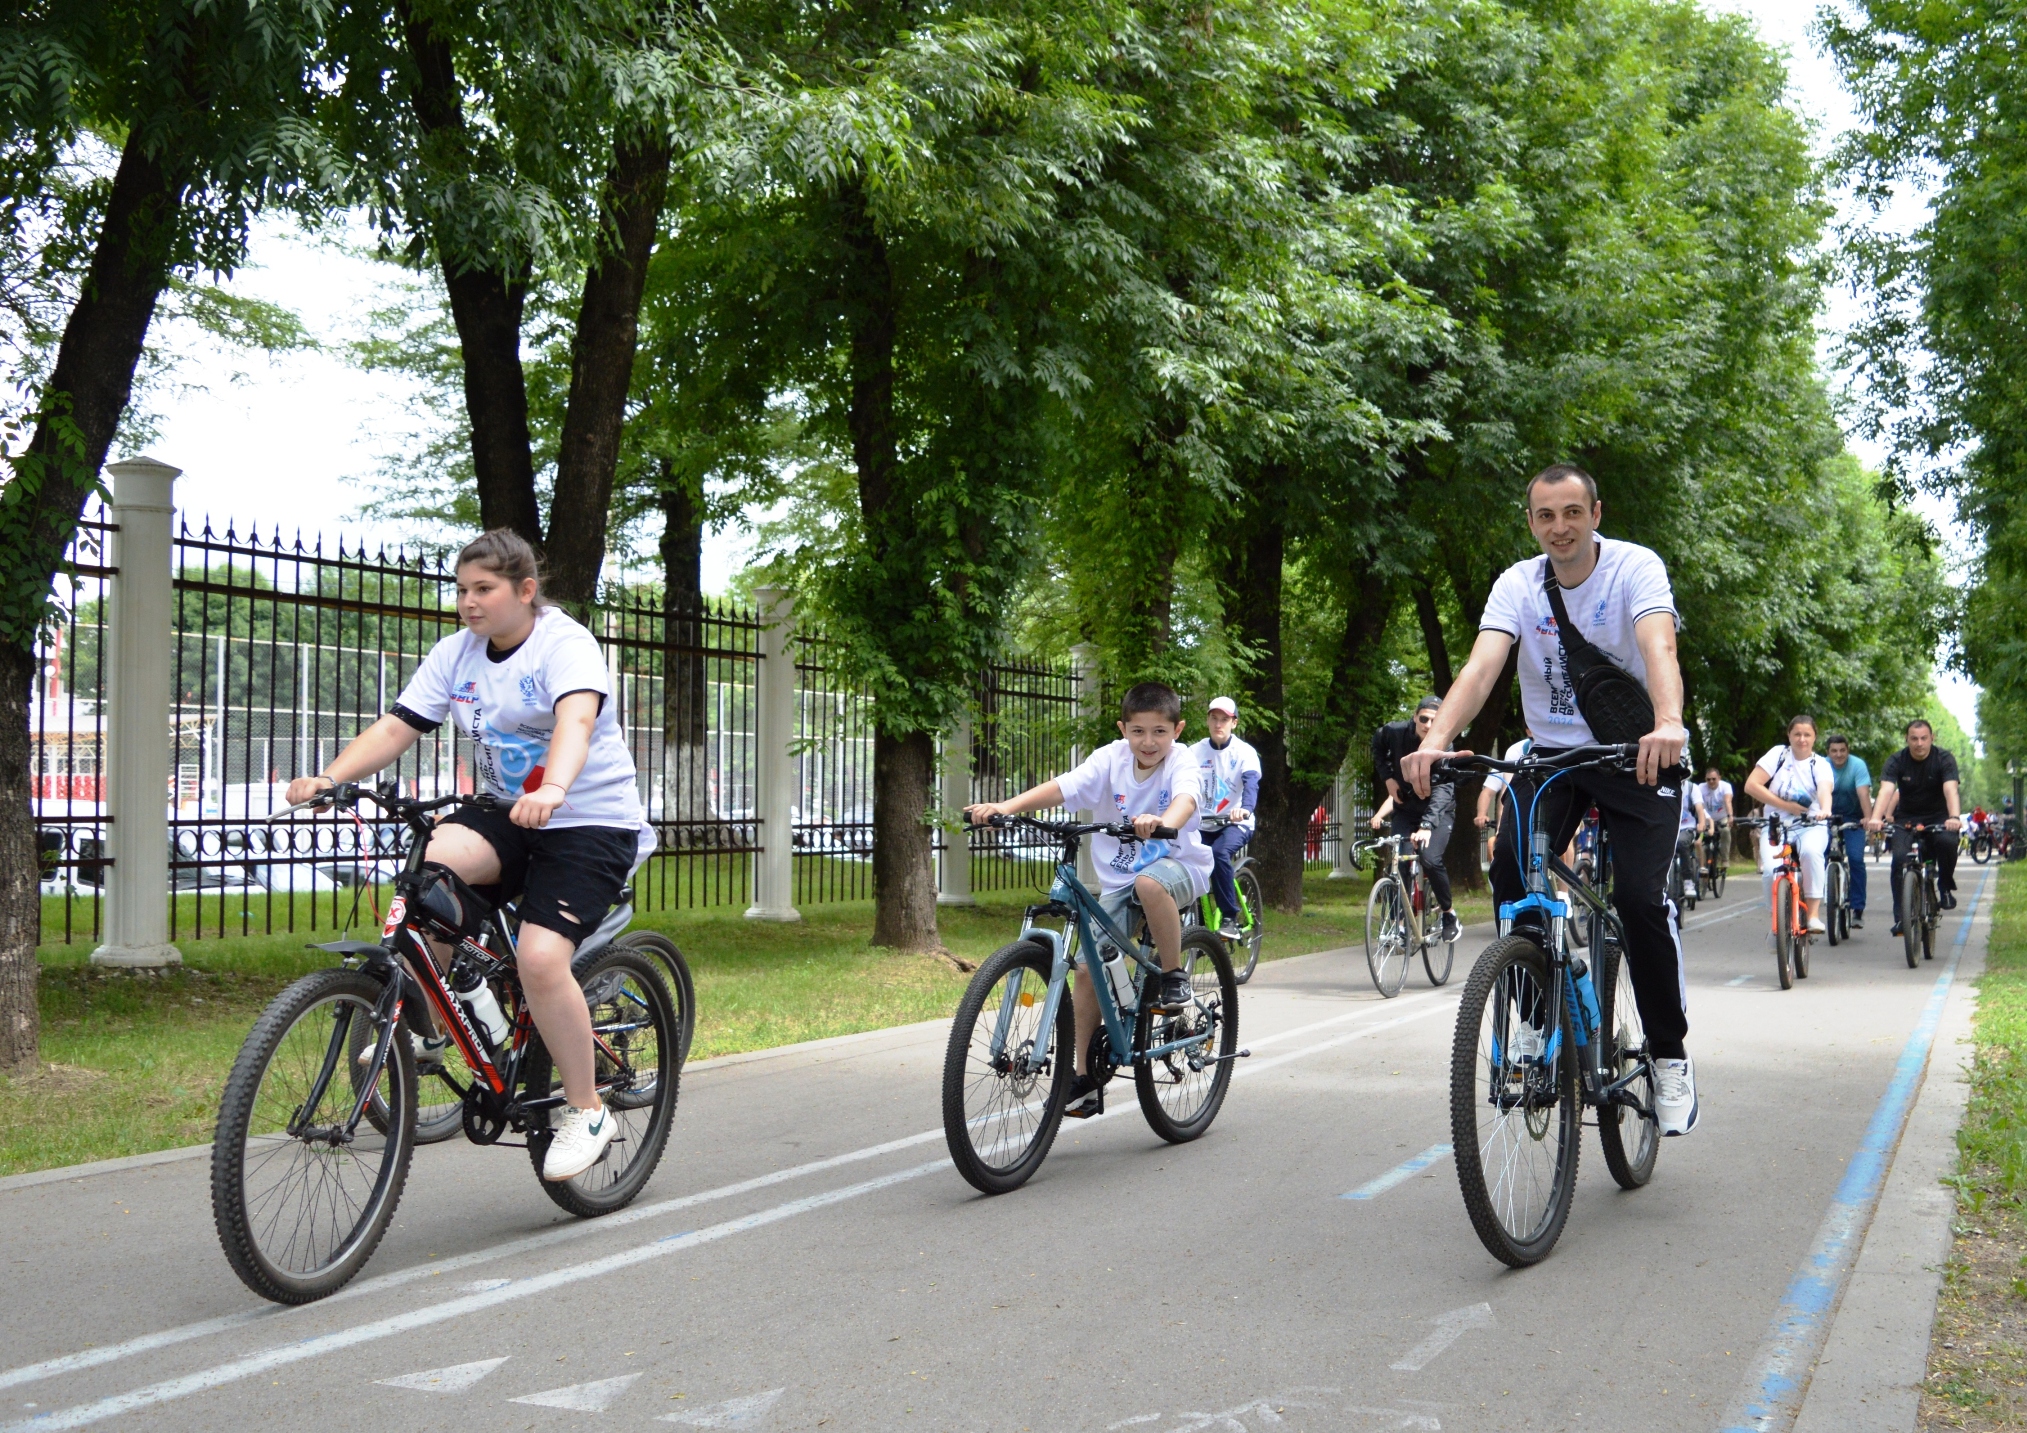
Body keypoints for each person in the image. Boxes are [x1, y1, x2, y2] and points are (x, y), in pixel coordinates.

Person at [285, 530, 654, 1183]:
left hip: (585, 816)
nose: (468, 602)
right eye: (461, 589)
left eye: (483, 589)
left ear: (525, 591)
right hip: (505, 809)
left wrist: (557, 788)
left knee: (542, 958)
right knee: (429, 879)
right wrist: (329, 778)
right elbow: (398, 724)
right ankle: (441, 1022)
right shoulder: (456, 654)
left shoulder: (564, 644)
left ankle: (587, 1107)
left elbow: (574, 723)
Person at [1400, 463, 1699, 1135]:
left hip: (1634, 755)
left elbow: (1659, 646)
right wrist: (1438, 736)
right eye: (1544, 516)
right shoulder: (1517, 583)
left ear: (1595, 511)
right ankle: (1535, 1019)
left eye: (1571, 512)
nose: (1558, 527)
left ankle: (1670, 1057)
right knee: (1509, 868)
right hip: (1555, 757)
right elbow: (1481, 665)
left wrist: (1667, 722)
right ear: (1531, 522)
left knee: (1638, 902)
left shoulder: (1633, 569)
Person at [966, 681, 1210, 1118]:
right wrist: (1006, 806)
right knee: (1085, 970)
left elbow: (1186, 799)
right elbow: (1064, 786)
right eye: (1137, 731)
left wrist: (1163, 821)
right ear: (1123, 729)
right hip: (1119, 883)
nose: (1148, 741)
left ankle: (1174, 976)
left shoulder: (1183, 759)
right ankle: (1083, 1081)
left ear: (1177, 730)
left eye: (1159, 731)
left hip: (1178, 866)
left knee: (1149, 885)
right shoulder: (1110, 758)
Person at [1372, 696, 1462, 944]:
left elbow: (1445, 790)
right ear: (1415, 717)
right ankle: (1399, 926)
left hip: (1438, 811)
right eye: (1424, 718)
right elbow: (1377, 746)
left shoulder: (1445, 746)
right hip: (1406, 808)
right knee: (1399, 862)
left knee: (1430, 859)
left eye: (1435, 720)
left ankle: (1448, 914)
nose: (1428, 724)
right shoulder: (1394, 731)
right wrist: (1388, 778)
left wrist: (1427, 825)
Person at [1867, 718, 1964, 933]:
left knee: (1947, 843)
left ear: (1932, 738)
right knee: (1900, 860)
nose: (1919, 744)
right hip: (1907, 817)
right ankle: (1901, 917)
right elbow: (1886, 791)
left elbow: (1951, 790)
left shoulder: (1944, 759)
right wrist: (1876, 817)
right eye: (1914, 739)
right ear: (1907, 739)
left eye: (1923, 738)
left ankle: (1945, 886)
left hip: (1939, 816)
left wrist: (1954, 817)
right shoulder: (1896, 760)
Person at [1744, 715, 1835, 934]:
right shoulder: (1778, 755)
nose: (1802, 739)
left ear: (1814, 738)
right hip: (1776, 824)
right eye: (1797, 734)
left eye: (1807, 735)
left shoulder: (1820, 764)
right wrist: (1785, 805)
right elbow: (1751, 785)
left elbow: (1825, 790)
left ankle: (1813, 915)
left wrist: (1825, 809)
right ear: (1789, 735)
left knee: (1811, 853)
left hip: (1810, 824)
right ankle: (1777, 923)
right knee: (1770, 871)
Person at [1190, 696, 1262, 941]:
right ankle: (1195, 925)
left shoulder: (1245, 752)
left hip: (1235, 823)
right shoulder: (1194, 752)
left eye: (1224, 719)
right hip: (1203, 822)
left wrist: (1245, 809)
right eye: (1214, 718)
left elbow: (1251, 783)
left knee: (1219, 853)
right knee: (1182, 857)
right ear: (1208, 721)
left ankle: (1230, 918)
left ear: (1234, 723)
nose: (1218, 724)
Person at [1825, 733, 1873, 927]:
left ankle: (1858, 907)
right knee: (1819, 853)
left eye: (1842, 750)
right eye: (1834, 751)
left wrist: (1868, 818)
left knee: (1855, 859)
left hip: (1854, 818)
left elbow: (1863, 793)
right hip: (1827, 816)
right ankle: (1819, 896)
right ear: (1827, 752)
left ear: (1848, 750)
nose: (1838, 755)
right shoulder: (1821, 765)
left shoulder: (1857, 765)